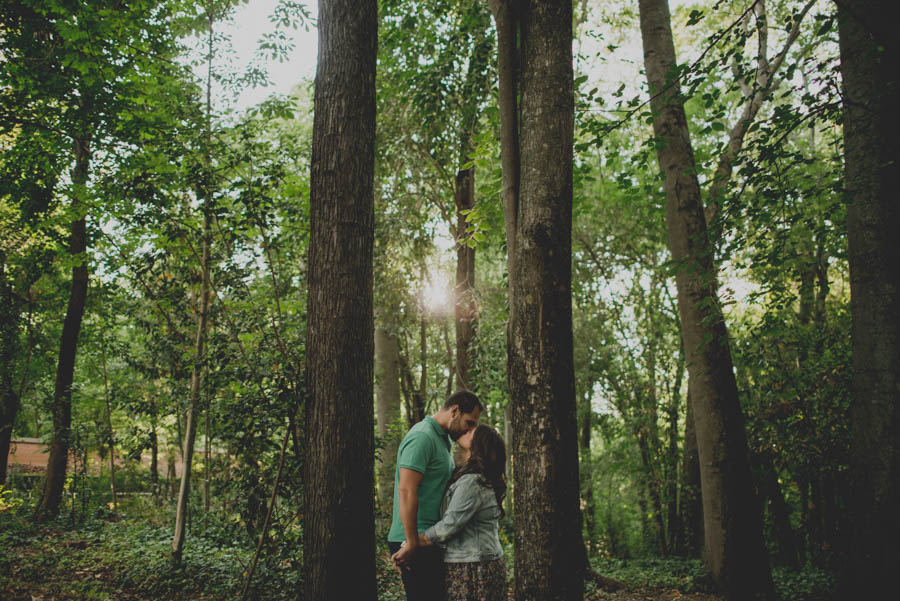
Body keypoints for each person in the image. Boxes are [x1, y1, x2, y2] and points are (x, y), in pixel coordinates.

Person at [393, 424, 508, 601]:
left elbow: (449, 526)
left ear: (478, 445)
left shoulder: (472, 482)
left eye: (471, 432)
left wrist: (412, 542)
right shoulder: (473, 477)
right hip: (478, 560)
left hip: (474, 565)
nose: (465, 430)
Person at [388, 391, 483, 601]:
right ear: (455, 410)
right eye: (469, 422)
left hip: (429, 538)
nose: (470, 429)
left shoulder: (442, 440)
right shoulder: (422, 436)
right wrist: (412, 542)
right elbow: (406, 490)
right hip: (412, 538)